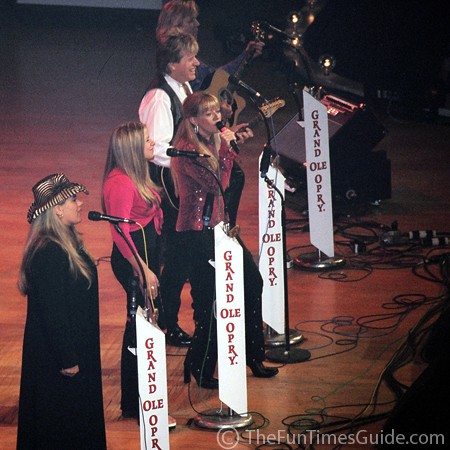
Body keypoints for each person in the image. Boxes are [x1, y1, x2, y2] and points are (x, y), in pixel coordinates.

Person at [170, 91, 278, 388]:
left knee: (252, 282)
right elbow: (217, 183)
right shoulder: (185, 151)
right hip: (198, 233)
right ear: (192, 120)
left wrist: (223, 144)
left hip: (221, 228)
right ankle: (200, 365)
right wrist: (227, 147)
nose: (217, 117)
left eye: (216, 111)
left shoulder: (210, 141)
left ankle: (253, 355)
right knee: (210, 301)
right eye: (208, 113)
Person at [17, 173, 106, 450]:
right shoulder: (49, 253)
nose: (79, 203)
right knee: (61, 429)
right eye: (72, 199)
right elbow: (53, 313)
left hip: (75, 353)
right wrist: (68, 359)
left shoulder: (68, 243)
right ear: (56, 209)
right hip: (59, 363)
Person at [101, 122, 166, 421]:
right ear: (131, 149)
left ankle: (138, 400)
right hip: (133, 263)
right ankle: (135, 403)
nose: (153, 142)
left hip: (146, 259)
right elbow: (119, 233)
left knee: (146, 326)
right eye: (147, 139)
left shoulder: (138, 174)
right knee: (138, 329)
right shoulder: (120, 183)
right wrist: (142, 269)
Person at [139, 31, 199, 348]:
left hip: (182, 186)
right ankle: (166, 323)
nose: (197, 63)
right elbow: (157, 148)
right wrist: (195, 154)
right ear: (173, 63)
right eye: (191, 58)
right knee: (173, 258)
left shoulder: (183, 88)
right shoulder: (159, 97)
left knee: (182, 257)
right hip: (168, 191)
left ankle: (171, 319)